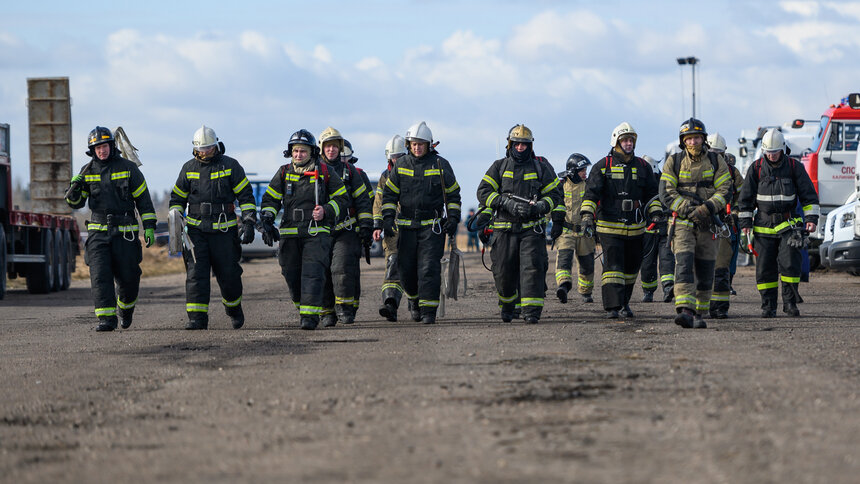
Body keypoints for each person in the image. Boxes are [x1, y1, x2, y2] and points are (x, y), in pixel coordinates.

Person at [65, 126, 157, 331]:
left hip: (125, 232)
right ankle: (106, 319)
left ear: (111, 146)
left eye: (104, 146)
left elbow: (144, 201)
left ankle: (125, 309)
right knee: (100, 275)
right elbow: (77, 203)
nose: (101, 151)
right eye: (97, 148)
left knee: (129, 277)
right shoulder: (86, 171)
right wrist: (74, 188)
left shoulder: (128, 168)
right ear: (92, 150)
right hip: (98, 232)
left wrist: (149, 227)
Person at [168, 126, 257, 330]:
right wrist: (175, 221)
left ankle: (234, 308)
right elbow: (177, 199)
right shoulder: (188, 168)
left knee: (230, 276)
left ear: (216, 145)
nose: (205, 152)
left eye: (208, 147)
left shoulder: (231, 166)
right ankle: (197, 318)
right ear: (195, 148)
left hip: (224, 233)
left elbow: (246, 196)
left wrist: (250, 221)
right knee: (196, 275)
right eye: (201, 148)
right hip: (196, 232)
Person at [260, 129, 348, 330]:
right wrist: (267, 218)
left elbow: (342, 199)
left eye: (303, 151)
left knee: (313, 273)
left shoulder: (325, 171)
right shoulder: (283, 172)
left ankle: (309, 318)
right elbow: (271, 199)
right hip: (290, 233)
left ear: (312, 153)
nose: (298, 155)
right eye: (296, 151)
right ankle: (306, 310)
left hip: (316, 233)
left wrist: (325, 210)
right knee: (291, 274)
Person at [477, 124, 561, 324]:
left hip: (532, 229)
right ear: (510, 144)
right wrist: (505, 203)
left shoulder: (541, 166)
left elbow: (555, 194)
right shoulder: (499, 166)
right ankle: (508, 306)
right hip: (504, 230)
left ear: (530, 146)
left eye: (524, 144)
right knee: (504, 271)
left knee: (532, 270)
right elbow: (483, 192)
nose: (520, 148)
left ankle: (531, 311)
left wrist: (539, 207)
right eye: (517, 144)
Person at [381, 121, 461, 324]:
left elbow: (453, 195)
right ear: (409, 145)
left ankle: (428, 311)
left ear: (429, 145)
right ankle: (414, 301)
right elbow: (389, 194)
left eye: (421, 144)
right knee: (406, 270)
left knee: (428, 269)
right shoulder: (401, 165)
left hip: (432, 227)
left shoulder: (441, 165)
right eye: (414, 144)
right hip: (406, 227)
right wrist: (388, 218)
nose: (417, 147)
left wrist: (453, 219)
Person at [581, 122, 660, 319]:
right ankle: (612, 307)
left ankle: (624, 303)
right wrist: (587, 216)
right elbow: (591, 194)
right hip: (609, 226)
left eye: (631, 140)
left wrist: (656, 213)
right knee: (613, 268)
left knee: (632, 268)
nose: (628, 143)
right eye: (624, 140)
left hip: (636, 227)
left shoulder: (643, 167)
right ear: (616, 141)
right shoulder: (602, 166)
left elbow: (652, 195)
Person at [738, 128, 819, 318]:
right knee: (765, 269)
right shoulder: (756, 168)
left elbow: (809, 196)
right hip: (763, 226)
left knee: (790, 265)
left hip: (789, 226)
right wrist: (745, 223)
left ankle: (790, 303)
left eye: (775, 152)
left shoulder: (794, 167)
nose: (772, 156)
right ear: (764, 151)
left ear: (783, 149)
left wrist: (811, 219)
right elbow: (745, 199)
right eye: (769, 152)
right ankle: (768, 306)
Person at [659, 118, 731, 328]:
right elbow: (666, 192)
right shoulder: (674, 161)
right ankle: (685, 310)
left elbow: (725, 190)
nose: (693, 142)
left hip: (708, 224)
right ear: (683, 141)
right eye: (689, 138)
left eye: (696, 137)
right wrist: (688, 210)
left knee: (706, 269)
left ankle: (699, 313)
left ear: (703, 139)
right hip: (682, 224)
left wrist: (706, 208)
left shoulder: (717, 161)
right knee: (683, 264)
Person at [317, 127, 373, 326]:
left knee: (342, 269)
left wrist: (366, 225)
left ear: (339, 148)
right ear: (321, 148)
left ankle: (345, 309)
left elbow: (363, 201)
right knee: (322, 271)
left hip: (346, 229)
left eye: (334, 146)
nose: (331, 150)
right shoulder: (313, 169)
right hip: (319, 231)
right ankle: (327, 312)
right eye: (328, 146)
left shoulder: (350, 172)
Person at [706, 133, 744, 318]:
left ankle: (720, 306)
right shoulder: (699, 168)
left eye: (719, 153)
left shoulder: (732, 172)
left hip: (725, 223)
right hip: (703, 222)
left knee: (724, 264)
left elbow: (741, 196)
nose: (715, 156)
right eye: (712, 152)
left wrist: (735, 213)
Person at [551, 153, 596, 304]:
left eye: (585, 169)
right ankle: (563, 286)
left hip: (585, 232)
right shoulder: (560, 185)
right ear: (572, 171)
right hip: (565, 231)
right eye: (582, 170)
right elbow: (551, 205)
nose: (585, 172)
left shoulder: (590, 185)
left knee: (587, 264)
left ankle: (586, 293)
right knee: (564, 260)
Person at [373, 135, 407, 321]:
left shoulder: (415, 171)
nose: (397, 160)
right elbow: (378, 202)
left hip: (414, 228)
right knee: (393, 263)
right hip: (392, 229)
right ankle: (390, 303)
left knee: (415, 267)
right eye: (394, 156)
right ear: (389, 158)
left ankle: (417, 305)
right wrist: (378, 224)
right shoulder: (385, 177)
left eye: (401, 155)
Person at [637, 155, 675, 303]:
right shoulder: (640, 183)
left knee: (667, 259)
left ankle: (668, 287)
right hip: (647, 230)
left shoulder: (665, 183)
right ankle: (648, 291)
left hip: (665, 229)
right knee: (647, 263)